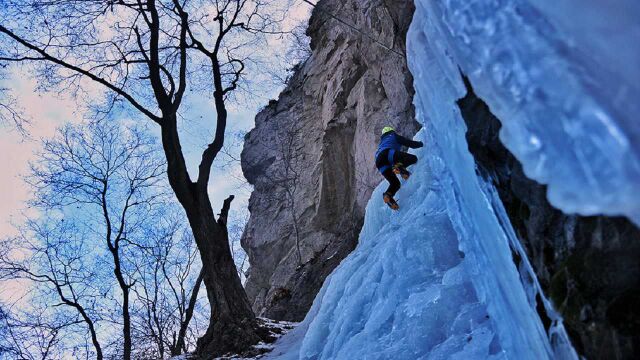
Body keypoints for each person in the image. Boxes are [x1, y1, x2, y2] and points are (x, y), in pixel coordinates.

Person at [375, 126, 423, 210]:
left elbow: (379, 156)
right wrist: (421, 144)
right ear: (391, 131)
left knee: (395, 183)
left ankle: (388, 195)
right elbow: (408, 143)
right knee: (412, 158)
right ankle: (399, 167)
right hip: (387, 153)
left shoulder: (381, 144)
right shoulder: (393, 136)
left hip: (379, 163)